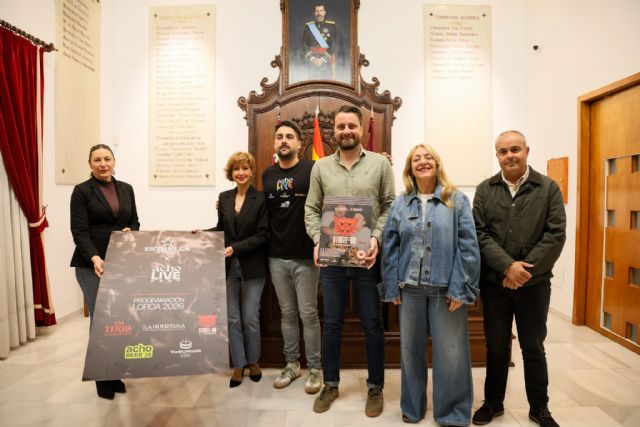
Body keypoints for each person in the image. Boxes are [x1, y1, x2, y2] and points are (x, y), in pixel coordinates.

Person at [304, 105, 395, 417]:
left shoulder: (380, 164)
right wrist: (318, 240)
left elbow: (389, 204)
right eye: (341, 126)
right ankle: (330, 384)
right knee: (332, 322)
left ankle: (375, 387)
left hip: (366, 258)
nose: (346, 131)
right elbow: (311, 208)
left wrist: (376, 238)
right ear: (334, 131)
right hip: (332, 259)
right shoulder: (320, 168)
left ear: (360, 128)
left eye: (351, 126)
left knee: (372, 322)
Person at [472, 131, 566, 427]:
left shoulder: (548, 188)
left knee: (533, 346)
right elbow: (480, 233)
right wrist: (507, 267)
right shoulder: (485, 190)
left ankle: (539, 407)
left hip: (534, 286)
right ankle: (493, 402)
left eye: (515, 149)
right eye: (503, 151)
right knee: (496, 346)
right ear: (497, 156)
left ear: (527, 151)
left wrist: (522, 272)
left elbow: (555, 235)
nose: (509, 155)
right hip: (495, 285)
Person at [382, 144, 480, 425]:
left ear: (437, 164)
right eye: (416, 159)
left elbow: (468, 246)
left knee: (451, 353)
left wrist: (461, 288)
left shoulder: (456, 200)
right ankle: (412, 407)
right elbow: (390, 245)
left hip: (445, 289)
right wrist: (391, 286)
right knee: (410, 352)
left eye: (428, 158)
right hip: (409, 289)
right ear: (410, 169)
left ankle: (452, 413)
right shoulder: (400, 203)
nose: (423, 162)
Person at [70, 144, 139, 400]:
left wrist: (131, 231)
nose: (103, 164)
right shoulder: (81, 191)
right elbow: (79, 231)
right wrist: (95, 257)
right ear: (90, 164)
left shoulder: (126, 188)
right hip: (92, 265)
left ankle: (114, 372)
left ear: (114, 161)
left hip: (121, 263)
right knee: (101, 320)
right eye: (97, 160)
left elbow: (134, 220)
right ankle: (102, 377)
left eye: (107, 158)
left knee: (117, 321)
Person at [262, 120, 322, 394]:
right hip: (276, 257)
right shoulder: (267, 174)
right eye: (279, 137)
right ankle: (292, 364)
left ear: (299, 142)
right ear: (275, 143)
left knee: (308, 313)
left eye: (289, 136)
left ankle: (315, 369)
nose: (284, 140)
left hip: (306, 256)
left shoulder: (313, 169)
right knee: (287, 314)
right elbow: (260, 210)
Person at [206, 152, 268, 388]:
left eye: (245, 168)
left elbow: (263, 235)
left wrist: (235, 248)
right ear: (231, 173)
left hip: (253, 266)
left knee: (250, 318)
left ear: (251, 172)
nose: (240, 173)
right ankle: (239, 364)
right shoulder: (224, 198)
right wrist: (202, 234)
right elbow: (221, 229)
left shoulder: (260, 199)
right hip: (229, 268)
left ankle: (254, 361)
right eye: (236, 169)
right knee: (232, 319)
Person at [302, 3, 338, 80]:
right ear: (314, 13)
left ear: (324, 12)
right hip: (312, 61)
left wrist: (323, 59)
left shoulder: (331, 26)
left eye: (321, 11)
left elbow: (334, 44)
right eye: (317, 11)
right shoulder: (308, 27)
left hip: (326, 61)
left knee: (326, 83)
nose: (319, 13)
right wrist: (312, 58)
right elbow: (304, 44)